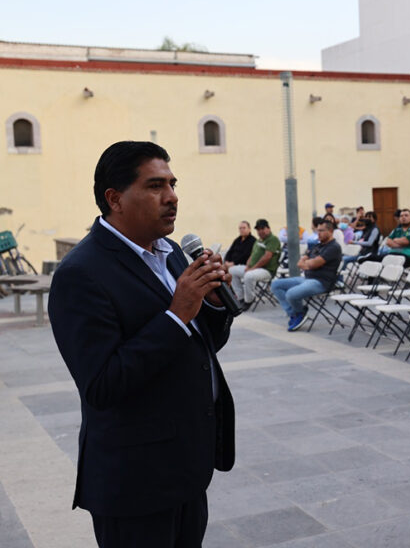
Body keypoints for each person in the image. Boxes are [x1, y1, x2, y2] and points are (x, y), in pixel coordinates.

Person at [48, 141, 235, 546]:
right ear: (114, 198)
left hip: (185, 468)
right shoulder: (81, 274)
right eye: (154, 186)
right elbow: (102, 385)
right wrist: (176, 314)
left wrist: (213, 306)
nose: (172, 197)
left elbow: (198, 347)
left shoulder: (171, 255)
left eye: (172, 183)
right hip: (135, 482)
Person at [271, 220, 342, 331]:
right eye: (317, 231)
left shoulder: (333, 247)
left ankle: (299, 313)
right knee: (276, 284)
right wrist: (309, 263)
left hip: (321, 282)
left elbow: (313, 264)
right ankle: (295, 313)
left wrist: (309, 263)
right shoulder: (318, 246)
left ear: (330, 231)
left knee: (291, 293)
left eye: (321, 231)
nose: (318, 233)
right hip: (307, 278)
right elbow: (300, 263)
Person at [233, 219, 281, 311]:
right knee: (232, 271)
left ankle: (248, 300)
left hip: (266, 270)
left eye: (262, 228)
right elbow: (253, 254)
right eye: (258, 229)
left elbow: (267, 257)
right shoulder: (259, 240)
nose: (260, 231)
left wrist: (253, 268)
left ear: (268, 228)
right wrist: (248, 265)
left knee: (248, 276)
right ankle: (240, 298)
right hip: (253, 268)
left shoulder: (272, 240)